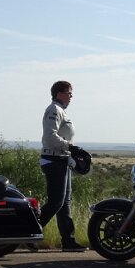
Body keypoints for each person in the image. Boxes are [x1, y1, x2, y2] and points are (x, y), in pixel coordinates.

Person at [39, 79, 83, 250]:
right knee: (56, 202)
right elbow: (50, 136)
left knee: (65, 203)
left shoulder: (60, 111)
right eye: (69, 93)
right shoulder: (54, 110)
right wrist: (69, 146)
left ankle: (68, 241)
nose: (71, 96)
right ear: (59, 93)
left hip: (62, 160)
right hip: (54, 160)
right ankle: (30, 231)